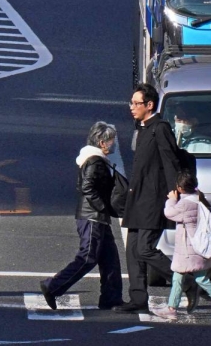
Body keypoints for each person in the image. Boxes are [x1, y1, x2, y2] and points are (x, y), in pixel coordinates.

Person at [40, 121, 123, 311]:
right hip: (92, 216)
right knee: (88, 257)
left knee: (110, 258)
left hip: (96, 216)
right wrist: (102, 207)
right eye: (111, 140)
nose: (114, 144)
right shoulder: (95, 161)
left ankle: (111, 298)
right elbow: (86, 187)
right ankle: (52, 286)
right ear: (102, 142)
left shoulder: (96, 159)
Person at [120, 84, 185, 313]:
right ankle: (138, 297)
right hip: (137, 198)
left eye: (136, 103)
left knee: (145, 248)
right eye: (131, 103)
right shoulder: (143, 127)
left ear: (149, 105)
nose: (132, 108)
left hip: (153, 199)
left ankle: (184, 281)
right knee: (133, 250)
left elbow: (171, 161)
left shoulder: (160, 128)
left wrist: (174, 190)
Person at [157, 169, 211, 320]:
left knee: (199, 279)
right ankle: (172, 308)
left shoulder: (185, 204)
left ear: (179, 188)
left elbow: (170, 213)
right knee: (180, 277)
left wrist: (171, 199)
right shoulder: (199, 199)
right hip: (197, 248)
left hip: (190, 249)